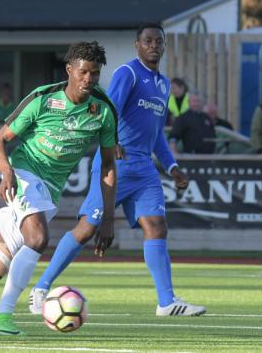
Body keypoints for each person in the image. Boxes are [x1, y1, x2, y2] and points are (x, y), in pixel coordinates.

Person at [29, 24, 206, 319]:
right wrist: (115, 142)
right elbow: (110, 108)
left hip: (144, 169)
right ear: (137, 44)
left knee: (157, 226)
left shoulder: (162, 84)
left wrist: (172, 167)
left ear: (164, 45)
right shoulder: (129, 73)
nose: (154, 46)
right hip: (117, 163)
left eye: (159, 41)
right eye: (147, 41)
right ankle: (41, 288)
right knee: (87, 229)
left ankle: (166, 301)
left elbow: (157, 133)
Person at [0, 41, 118, 335]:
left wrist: (108, 218)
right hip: (24, 172)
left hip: (50, 190)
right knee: (38, 237)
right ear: (69, 70)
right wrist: (6, 172)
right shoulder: (43, 98)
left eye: (94, 74)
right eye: (83, 72)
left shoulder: (103, 110)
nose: (88, 79)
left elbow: (108, 165)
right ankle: (3, 318)